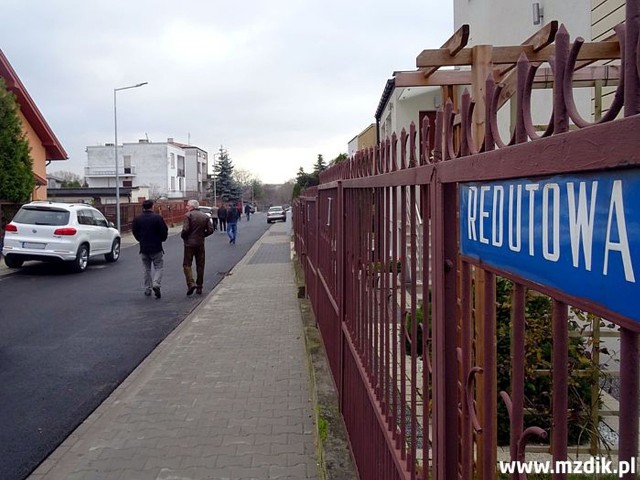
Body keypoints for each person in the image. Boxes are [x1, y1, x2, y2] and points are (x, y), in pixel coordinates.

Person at [131, 199, 169, 299]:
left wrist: (140, 239)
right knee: (159, 267)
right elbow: (164, 231)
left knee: (146, 268)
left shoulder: (137, 219)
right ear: (152, 206)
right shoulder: (157, 218)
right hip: (156, 246)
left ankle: (148, 288)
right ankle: (156, 284)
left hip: (143, 247)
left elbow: (134, 231)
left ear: (143, 207)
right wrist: (162, 239)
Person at [181, 199, 214, 295]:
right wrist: (203, 235)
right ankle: (199, 286)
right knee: (200, 264)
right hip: (200, 243)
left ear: (191, 207)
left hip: (189, 244)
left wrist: (184, 236)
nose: (186, 207)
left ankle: (191, 283)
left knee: (187, 264)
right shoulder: (204, 216)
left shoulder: (188, 216)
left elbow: (185, 229)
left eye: (187, 206)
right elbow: (211, 230)